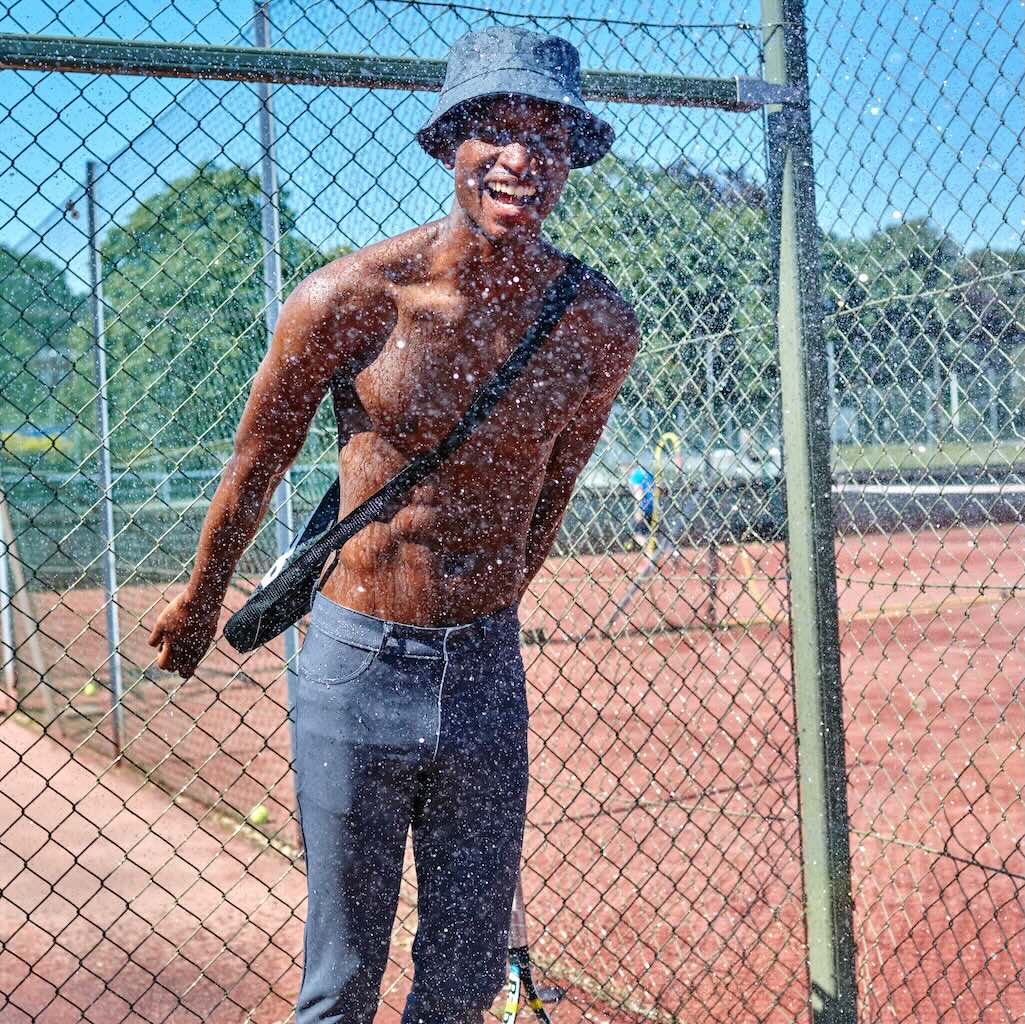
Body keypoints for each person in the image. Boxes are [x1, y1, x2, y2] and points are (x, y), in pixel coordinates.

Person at [148, 26, 638, 1024]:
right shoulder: (352, 297)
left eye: (548, 139)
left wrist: (484, 609)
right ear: (451, 145)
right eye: (496, 131)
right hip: (357, 662)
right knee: (341, 973)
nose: (520, 158)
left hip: (486, 671)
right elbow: (258, 459)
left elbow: (553, 490)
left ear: (568, 164)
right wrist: (202, 595)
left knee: (461, 974)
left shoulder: (595, 323)